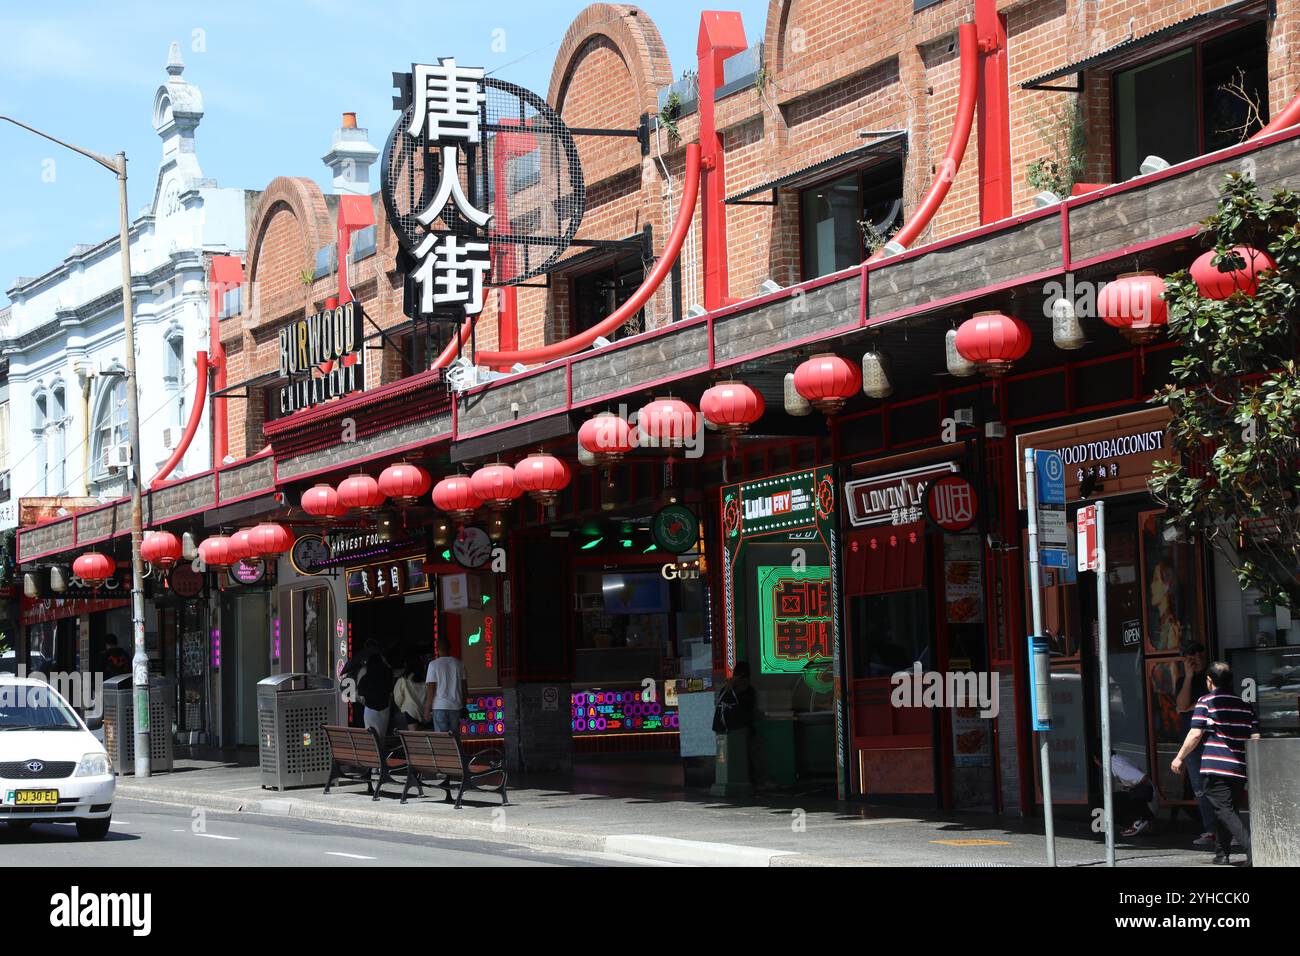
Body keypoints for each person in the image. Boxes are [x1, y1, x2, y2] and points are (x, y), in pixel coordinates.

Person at [1171, 662, 1260, 866]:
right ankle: (1222, 854)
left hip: (1216, 767)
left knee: (1224, 811)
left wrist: (1179, 757)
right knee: (1226, 810)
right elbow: (1255, 738)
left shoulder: (1206, 701)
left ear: (1209, 681)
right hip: (1238, 768)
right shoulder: (1245, 706)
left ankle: (1253, 850)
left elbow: (1195, 734)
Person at [1174, 642, 1216, 847]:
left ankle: (1225, 830)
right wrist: (1189, 677)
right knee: (1198, 787)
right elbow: (1181, 705)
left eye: (1198, 651)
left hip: (1211, 737)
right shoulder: (1184, 680)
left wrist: (1192, 706)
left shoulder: (1213, 676)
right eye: (1190, 653)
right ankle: (1210, 830)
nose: (1195, 656)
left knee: (1217, 784)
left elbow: (1212, 702)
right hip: (1191, 739)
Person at [1098, 752, 1158, 838]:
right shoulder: (1117, 759)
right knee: (1117, 796)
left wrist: (1132, 788)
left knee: (1111, 799)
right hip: (1147, 797)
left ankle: (1141, 820)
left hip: (1147, 799)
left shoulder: (1116, 764)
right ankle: (1144, 820)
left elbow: (1144, 778)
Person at [424, 637, 467, 734]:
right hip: (456, 707)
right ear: (450, 648)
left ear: (437, 649)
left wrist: (427, 709)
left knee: (442, 741)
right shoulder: (459, 664)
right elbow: (464, 689)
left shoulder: (433, 665)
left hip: (439, 706)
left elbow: (431, 689)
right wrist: (464, 706)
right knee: (454, 740)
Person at [357, 651, 393, 737]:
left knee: (371, 739)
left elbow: (360, 694)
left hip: (370, 710)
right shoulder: (387, 675)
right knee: (382, 737)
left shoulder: (366, 678)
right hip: (384, 709)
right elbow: (390, 692)